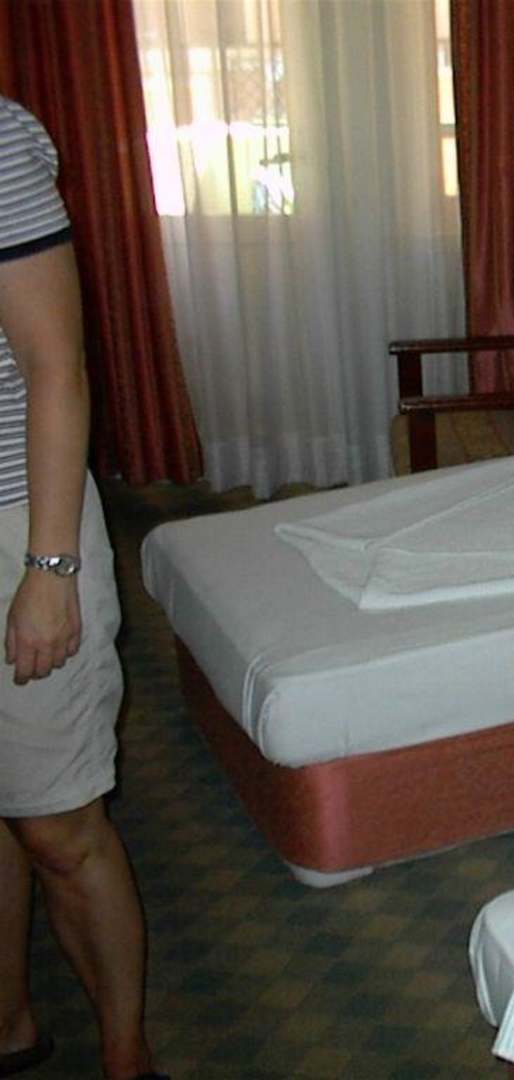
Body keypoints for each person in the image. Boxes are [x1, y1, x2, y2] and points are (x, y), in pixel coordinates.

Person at [0, 96, 164, 1080]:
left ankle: (125, 1058)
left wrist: (50, 571)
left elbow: (56, 368)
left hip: (17, 526)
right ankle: (9, 1024)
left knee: (58, 825)